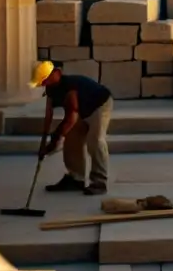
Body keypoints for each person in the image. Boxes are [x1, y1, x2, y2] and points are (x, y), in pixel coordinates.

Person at [29, 61, 114, 196]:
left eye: (45, 79)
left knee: (95, 140)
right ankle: (76, 178)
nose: (44, 83)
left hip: (99, 105)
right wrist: (44, 138)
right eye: (42, 81)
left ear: (57, 73)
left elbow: (70, 118)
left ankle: (99, 182)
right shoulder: (51, 90)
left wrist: (55, 140)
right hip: (82, 109)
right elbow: (48, 114)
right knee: (72, 140)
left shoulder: (69, 87)